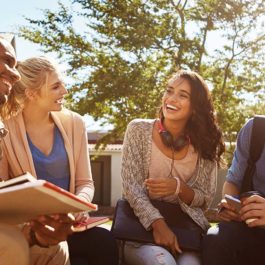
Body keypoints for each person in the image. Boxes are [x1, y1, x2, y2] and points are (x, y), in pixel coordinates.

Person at [0, 56, 119, 265]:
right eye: (56, 87)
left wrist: (78, 207)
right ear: (32, 93)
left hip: (71, 224)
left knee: (105, 241)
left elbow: (86, 183)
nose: (65, 91)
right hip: (33, 229)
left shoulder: (75, 123)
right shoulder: (5, 129)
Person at [121, 70, 225, 265]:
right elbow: (132, 188)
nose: (172, 98)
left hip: (186, 236)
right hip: (141, 234)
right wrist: (158, 225)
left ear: (195, 107)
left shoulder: (206, 144)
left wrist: (179, 188)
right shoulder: (137, 130)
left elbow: (205, 199)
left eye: (182, 95)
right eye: (169, 91)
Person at [0, 37, 75, 265]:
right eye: (6, 62)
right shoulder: (9, 128)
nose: (15, 75)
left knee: (55, 247)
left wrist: (34, 234)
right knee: (11, 242)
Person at [202, 118, 265, 265]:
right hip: (249, 228)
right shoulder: (256, 130)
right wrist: (231, 204)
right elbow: (233, 182)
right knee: (215, 238)